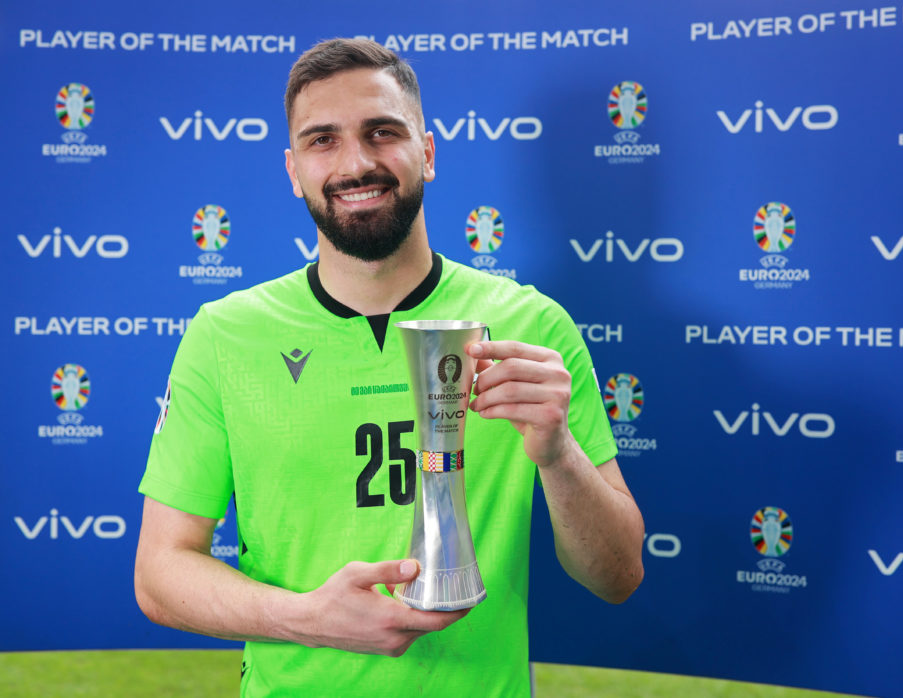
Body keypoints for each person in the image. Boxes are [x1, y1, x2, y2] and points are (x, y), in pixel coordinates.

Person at [134, 37, 644, 698]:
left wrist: (558, 455)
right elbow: (160, 571)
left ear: (426, 153)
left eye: (382, 132)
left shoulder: (529, 325)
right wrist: (307, 620)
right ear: (293, 170)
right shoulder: (225, 334)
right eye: (323, 140)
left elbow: (618, 574)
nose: (356, 162)